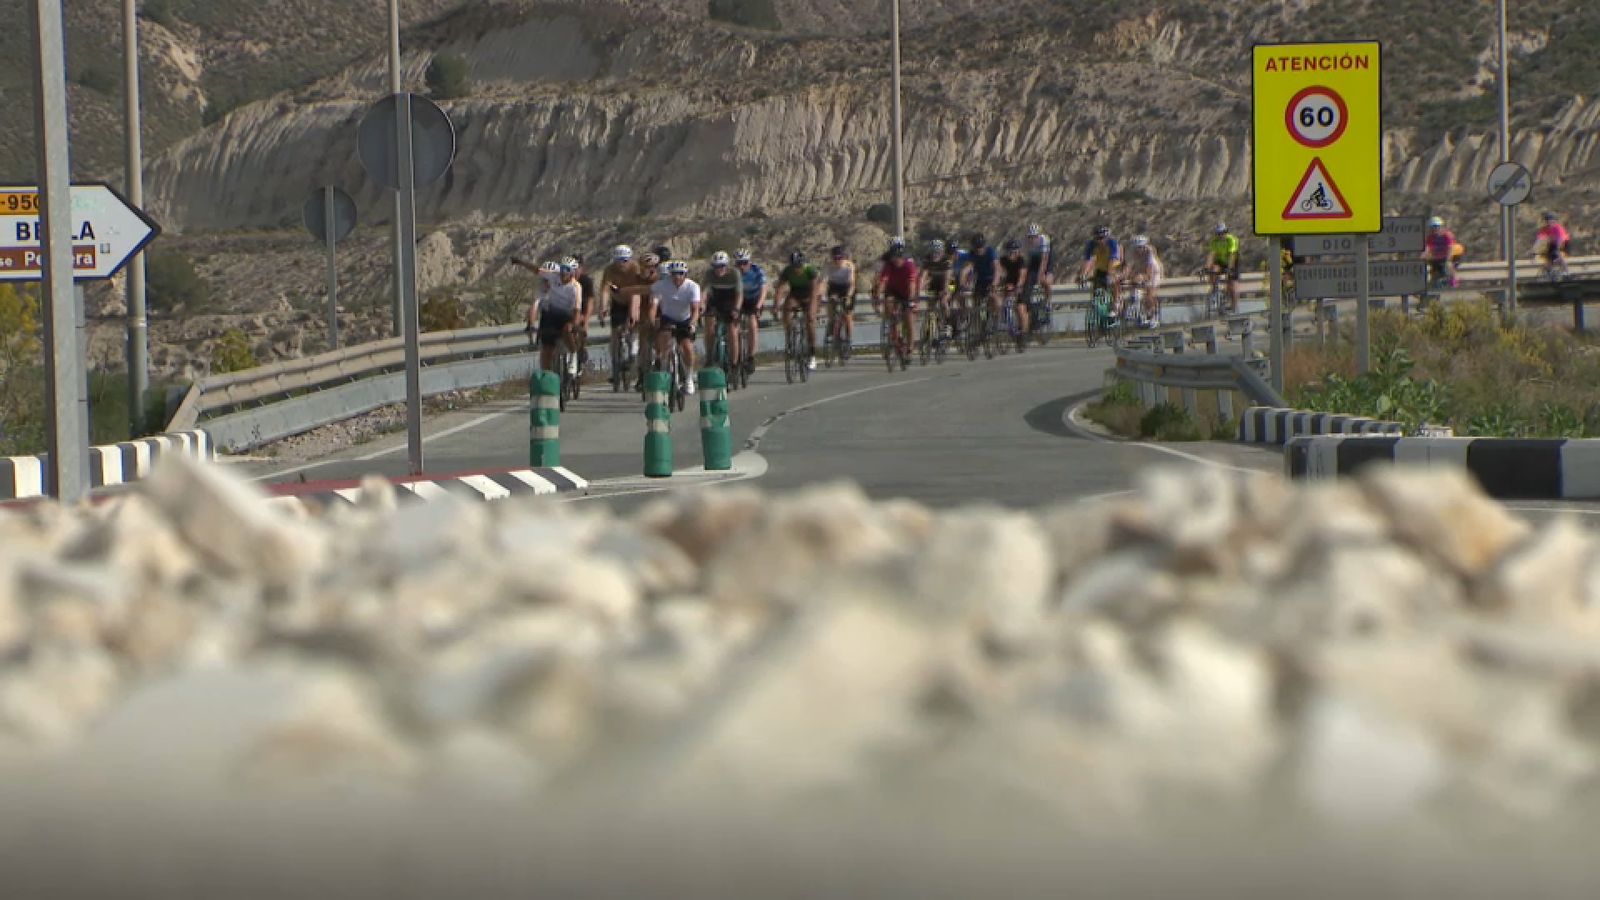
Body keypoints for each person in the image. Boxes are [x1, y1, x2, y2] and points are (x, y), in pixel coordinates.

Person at [517, 259, 582, 376]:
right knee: (546, 349)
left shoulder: (576, 287)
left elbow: (577, 309)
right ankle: (547, 376)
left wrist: (575, 325)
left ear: (572, 272)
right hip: (551, 315)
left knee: (568, 330)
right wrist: (521, 262)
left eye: (567, 270)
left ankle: (573, 354)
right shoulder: (551, 279)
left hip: (567, 315)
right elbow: (536, 270)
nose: (563, 272)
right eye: (562, 269)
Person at [651, 260, 701, 395]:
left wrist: (693, 323)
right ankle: (664, 364)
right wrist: (652, 320)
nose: (677, 277)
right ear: (670, 275)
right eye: (674, 274)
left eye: (680, 274)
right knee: (663, 341)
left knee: (687, 347)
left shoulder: (692, 287)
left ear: (685, 275)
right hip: (668, 318)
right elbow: (654, 305)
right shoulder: (661, 285)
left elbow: (695, 309)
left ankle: (689, 377)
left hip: (685, 319)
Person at [600, 245, 648, 385]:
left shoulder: (635, 268)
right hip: (618, 301)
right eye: (618, 261)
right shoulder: (609, 270)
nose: (622, 264)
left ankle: (633, 349)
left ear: (630, 259)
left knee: (633, 323)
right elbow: (605, 290)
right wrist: (603, 308)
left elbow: (637, 293)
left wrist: (633, 313)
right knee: (615, 332)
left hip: (634, 297)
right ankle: (615, 364)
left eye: (625, 261)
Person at [776, 250, 822, 370]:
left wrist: (812, 308)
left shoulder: (810, 270)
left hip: (810, 294)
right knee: (787, 309)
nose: (797, 269)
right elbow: (780, 288)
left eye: (799, 266)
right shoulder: (787, 271)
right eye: (794, 266)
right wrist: (776, 305)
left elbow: (814, 292)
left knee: (811, 320)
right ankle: (790, 336)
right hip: (795, 293)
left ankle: (812, 354)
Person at [875, 242, 919, 362]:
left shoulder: (909, 266)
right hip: (893, 291)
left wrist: (910, 300)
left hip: (906, 293)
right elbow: (883, 282)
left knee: (909, 319)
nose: (896, 260)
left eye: (898, 257)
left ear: (903, 257)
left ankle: (910, 349)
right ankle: (893, 327)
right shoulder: (888, 266)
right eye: (894, 257)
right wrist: (878, 297)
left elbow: (912, 284)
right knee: (888, 303)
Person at [701, 250, 742, 372]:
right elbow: (703, 291)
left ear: (727, 265)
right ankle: (709, 355)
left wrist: (737, 309)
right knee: (709, 326)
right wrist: (701, 305)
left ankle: (734, 364)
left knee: (732, 332)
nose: (719, 269)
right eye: (716, 267)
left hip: (730, 301)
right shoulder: (709, 274)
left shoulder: (735, 273)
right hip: (716, 300)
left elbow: (740, 294)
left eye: (722, 266)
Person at [735, 248, 767, 374]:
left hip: (754, 299)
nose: (742, 266)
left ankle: (751, 357)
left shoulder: (757, 270)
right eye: (739, 263)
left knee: (752, 323)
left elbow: (764, 289)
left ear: (749, 262)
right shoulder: (733, 273)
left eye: (744, 262)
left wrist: (758, 306)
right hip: (739, 299)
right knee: (733, 325)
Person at [1079, 225, 1122, 316]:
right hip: (1101, 267)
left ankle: (1116, 303)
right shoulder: (1091, 244)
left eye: (1102, 238)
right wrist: (1083, 275)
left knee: (1114, 281)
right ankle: (1096, 302)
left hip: (1114, 265)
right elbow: (1087, 260)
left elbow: (1113, 259)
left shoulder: (1112, 243)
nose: (1100, 241)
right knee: (1096, 283)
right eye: (1097, 238)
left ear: (1107, 237)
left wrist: (1110, 275)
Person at [963, 233, 1001, 338]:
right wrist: (963, 283)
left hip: (992, 278)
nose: (978, 250)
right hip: (980, 280)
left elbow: (997, 269)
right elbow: (968, 269)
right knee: (977, 303)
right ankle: (982, 326)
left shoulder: (990, 252)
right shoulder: (972, 254)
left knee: (993, 297)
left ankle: (995, 318)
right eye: (976, 247)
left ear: (984, 246)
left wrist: (994, 283)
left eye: (980, 247)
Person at [1121, 235, 1162, 327]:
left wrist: (1143, 278)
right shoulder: (1131, 252)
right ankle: (1135, 310)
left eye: (1141, 247)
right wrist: (1123, 277)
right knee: (1134, 288)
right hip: (1140, 270)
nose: (1139, 250)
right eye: (1137, 248)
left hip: (1153, 272)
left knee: (1149, 295)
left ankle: (1153, 315)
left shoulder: (1150, 253)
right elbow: (1128, 267)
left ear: (1145, 247)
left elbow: (1149, 273)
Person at [824, 244, 857, 355]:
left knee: (848, 314)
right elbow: (823, 282)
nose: (837, 260)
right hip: (834, 287)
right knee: (831, 304)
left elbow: (852, 284)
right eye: (835, 258)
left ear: (844, 257)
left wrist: (848, 297)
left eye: (840, 258)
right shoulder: (829, 266)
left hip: (847, 287)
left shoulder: (849, 266)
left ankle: (849, 339)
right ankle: (831, 322)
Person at [921, 240, 955, 340]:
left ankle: (948, 325)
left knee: (944, 301)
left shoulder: (946, 260)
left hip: (950, 283)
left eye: (938, 252)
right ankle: (929, 328)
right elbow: (924, 275)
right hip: (934, 283)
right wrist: (920, 286)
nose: (935, 255)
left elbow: (947, 278)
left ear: (942, 252)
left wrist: (945, 290)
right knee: (930, 306)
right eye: (933, 252)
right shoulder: (927, 259)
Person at [999, 238, 1031, 342]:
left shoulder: (1021, 260)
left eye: (1013, 251)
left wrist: (1018, 287)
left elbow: (1022, 276)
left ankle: (1024, 333)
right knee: (1005, 302)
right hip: (1010, 281)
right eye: (1009, 251)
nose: (1011, 254)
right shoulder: (1003, 260)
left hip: (1023, 282)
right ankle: (1009, 325)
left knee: (1020, 308)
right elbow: (1000, 272)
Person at [1206, 222, 1241, 312]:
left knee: (1232, 285)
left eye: (1223, 233)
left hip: (1232, 261)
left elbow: (1232, 255)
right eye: (1218, 233)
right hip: (1220, 261)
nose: (1221, 235)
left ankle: (1234, 307)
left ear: (1226, 232)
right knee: (1213, 270)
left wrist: (1230, 269)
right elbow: (1211, 255)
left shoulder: (1231, 240)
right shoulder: (1214, 241)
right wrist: (1207, 268)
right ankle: (1214, 290)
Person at [1422, 216, 1458, 287]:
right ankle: (1433, 286)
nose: (1435, 229)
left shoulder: (1447, 235)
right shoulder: (1431, 237)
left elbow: (1450, 248)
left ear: (1441, 226)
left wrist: (1448, 259)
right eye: (1433, 227)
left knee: (1448, 265)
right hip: (1437, 257)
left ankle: (1454, 280)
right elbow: (1427, 248)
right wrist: (1423, 257)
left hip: (1451, 255)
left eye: (1436, 226)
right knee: (1433, 270)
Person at [1535, 211, 1571, 279]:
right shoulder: (1544, 229)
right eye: (1547, 220)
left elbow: (1560, 239)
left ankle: (1566, 271)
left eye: (1551, 220)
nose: (1549, 222)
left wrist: (1557, 249)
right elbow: (1539, 240)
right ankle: (1550, 271)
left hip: (1564, 242)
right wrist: (1535, 252)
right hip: (1553, 243)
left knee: (1558, 254)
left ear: (1555, 221)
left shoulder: (1558, 228)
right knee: (1547, 256)